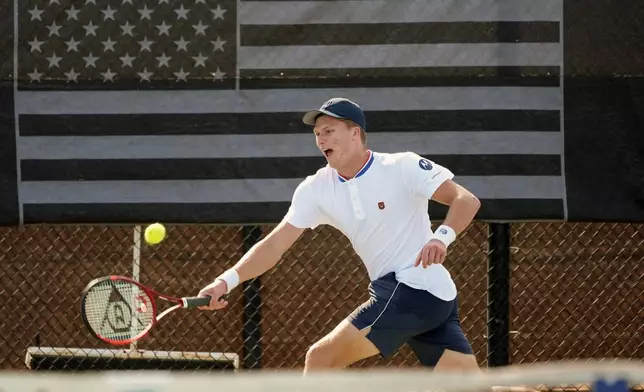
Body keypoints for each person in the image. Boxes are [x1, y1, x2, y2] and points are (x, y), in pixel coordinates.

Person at [197, 97, 482, 373]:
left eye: (329, 131)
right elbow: (274, 244)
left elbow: (466, 200)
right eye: (317, 133)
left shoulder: (401, 166)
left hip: (413, 288)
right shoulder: (315, 189)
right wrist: (225, 282)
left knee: (320, 359)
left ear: (355, 133)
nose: (321, 139)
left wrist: (440, 237)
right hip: (423, 297)